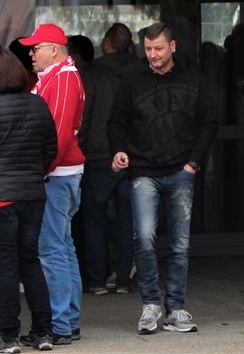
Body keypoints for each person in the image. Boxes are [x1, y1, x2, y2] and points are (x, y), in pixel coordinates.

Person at [108, 23, 218, 335]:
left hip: (181, 169)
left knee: (180, 244)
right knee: (143, 238)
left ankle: (177, 308)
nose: (152, 55)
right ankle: (151, 303)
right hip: (143, 170)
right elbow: (116, 120)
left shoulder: (196, 80)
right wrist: (118, 149)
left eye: (158, 48)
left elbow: (209, 123)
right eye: (147, 49)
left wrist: (193, 162)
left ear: (172, 46)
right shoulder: (132, 80)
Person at [0, 50, 59, 354]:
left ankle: (9, 336)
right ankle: (43, 332)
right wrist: (33, 173)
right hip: (32, 193)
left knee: (6, 266)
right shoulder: (39, 104)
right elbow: (50, 150)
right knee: (30, 260)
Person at [20, 23, 87, 345]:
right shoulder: (60, 76)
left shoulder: (61, 79)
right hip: (63, 173)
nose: (31, 53)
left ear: (55, 50)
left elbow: (58, 134)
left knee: (52, 250)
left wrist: (41, 170)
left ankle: (61, 323)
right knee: (63, 247)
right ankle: (68, 320)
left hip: (56, 175)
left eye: (36, 48)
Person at [79, 23, 136, 296]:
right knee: (127, 219)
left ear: (107, 43)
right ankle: (124, 279)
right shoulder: (141, 72)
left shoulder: (93, 74)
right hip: (132, 155)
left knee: (94, 218)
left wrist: (79, 148)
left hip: (99, 154)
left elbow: (86, 116)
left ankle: (97, 280)